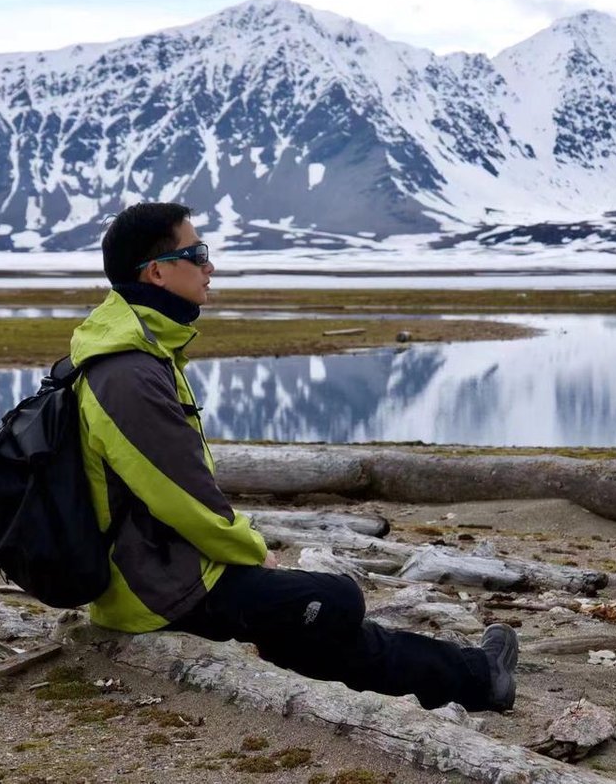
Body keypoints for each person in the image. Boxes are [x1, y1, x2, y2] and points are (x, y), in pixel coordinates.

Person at [69, 201, 518, 712]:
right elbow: (178, 496)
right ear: (156, 272)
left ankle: (480, 677)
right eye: (197, 254)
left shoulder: (135, 352)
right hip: (158, 589)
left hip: (160, 571)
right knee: (337, 601)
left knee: (315, 624)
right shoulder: (129, 371)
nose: (210, 268)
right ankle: (478, 677)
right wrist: (251, 549)